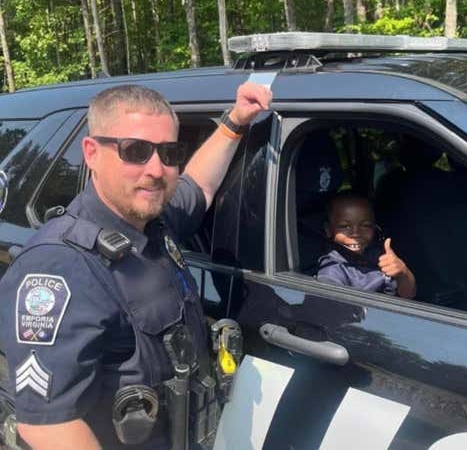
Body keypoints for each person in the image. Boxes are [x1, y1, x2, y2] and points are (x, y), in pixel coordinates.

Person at [0, 82, 272, 449]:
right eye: (136, 151)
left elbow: (199, 186)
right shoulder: (59, 267)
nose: (156, 169)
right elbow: (49, 424)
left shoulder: (152, 219)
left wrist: (236, 121)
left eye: (169, 152)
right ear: (92, 153)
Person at [316, 192, 416, 299]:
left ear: (374, 227)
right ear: (328, 230)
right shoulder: (333, 270)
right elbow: (337, 308)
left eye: (365, 225)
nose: (356, 233)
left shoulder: (378, 254)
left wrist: (403, 272)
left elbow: (409, 294)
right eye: (344, 226)